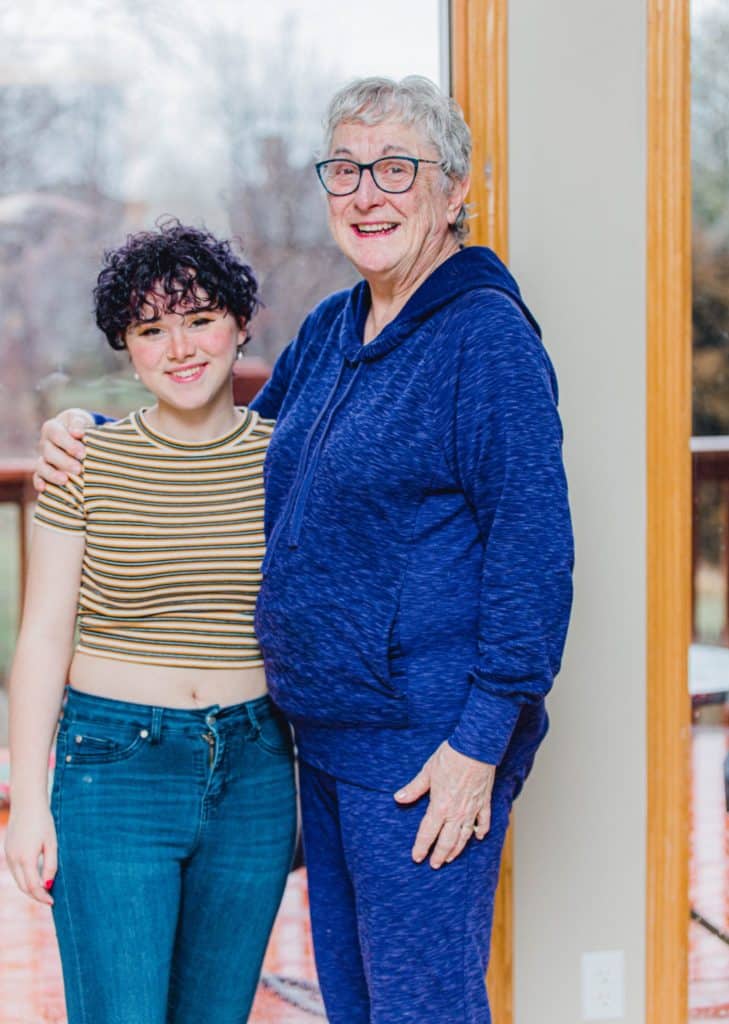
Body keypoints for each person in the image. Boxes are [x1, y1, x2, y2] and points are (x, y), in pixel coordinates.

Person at [34, 77, 573, 1024]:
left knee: (422, 1008)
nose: (368, 192)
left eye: (397, 168)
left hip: (422, 750)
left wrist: (478, 743)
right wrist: (98, 430)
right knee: (360, 1005)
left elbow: (535, 552)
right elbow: (226, 439)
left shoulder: (485, 341)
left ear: (454, 193)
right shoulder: (333, 329)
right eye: (346, 169)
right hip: (322, 742)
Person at [6, 222, 297, 1024]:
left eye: (199, 318)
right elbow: (41, 638)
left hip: (256, 772)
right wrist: (27, 801)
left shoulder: (291, 458)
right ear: (126, 349)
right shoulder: (84, 462)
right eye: (149, 328)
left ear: (241, 323)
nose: (179, 348)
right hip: (114, 771)